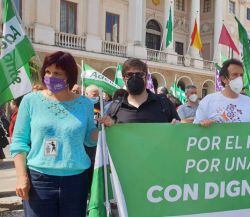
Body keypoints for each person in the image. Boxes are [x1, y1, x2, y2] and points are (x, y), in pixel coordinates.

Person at [10, 51, 98, 217]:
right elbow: (19, 141)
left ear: (69, 76)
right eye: (48, 72)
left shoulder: (85, 104)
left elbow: (89, 140)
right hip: (39, 181)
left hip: (76, 180)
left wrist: (105, 130)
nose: (50, 76)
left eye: (57, 73)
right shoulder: (31, 101)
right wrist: (21, 177)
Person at [99, 58, 179, 125]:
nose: (134, 78)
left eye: (140, 74)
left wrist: (177, 126)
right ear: (124, 79)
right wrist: (109, 125)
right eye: (129, 75)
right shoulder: (115, 108)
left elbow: (179, 133)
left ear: (146, 78)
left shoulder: (164, 103)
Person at [193, 59, 250, 127]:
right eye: (235, 75)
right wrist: (204, 124)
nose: (239, 78)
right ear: (224, 79)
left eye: (241, 75)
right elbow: (195, 129)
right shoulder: (208, 101)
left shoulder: (249, 102)